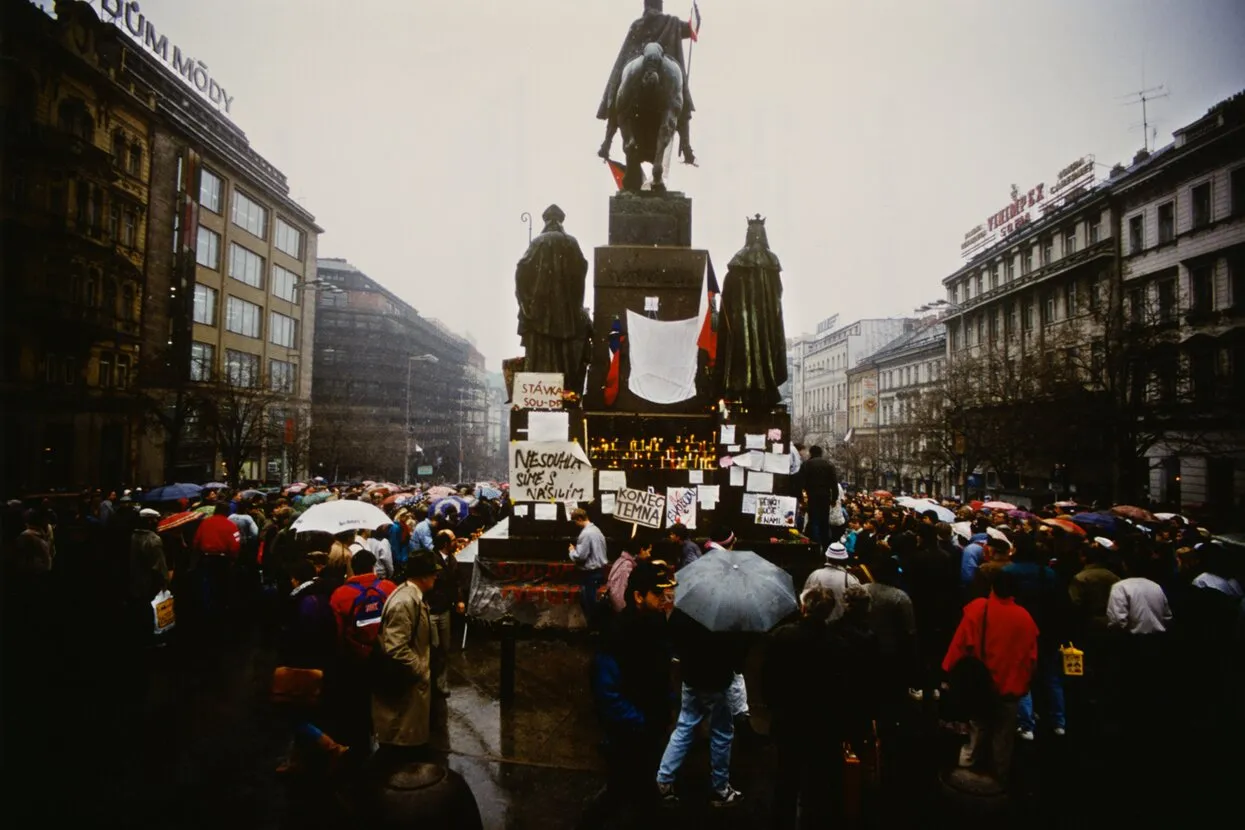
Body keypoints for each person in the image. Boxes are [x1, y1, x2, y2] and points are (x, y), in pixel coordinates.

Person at [581, 561, 676, 827]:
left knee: (642, 796)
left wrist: (667, 702)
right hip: (629, 734)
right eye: (657, 594)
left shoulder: (657, 624)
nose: (664, 599)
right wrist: (640, 721)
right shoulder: (617, 634)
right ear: (638, 596)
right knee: (620, 792)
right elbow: (607, 692)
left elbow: (659, 671)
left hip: (651, 729)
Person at [942, 570, 1038, 788]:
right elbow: (1031, 659)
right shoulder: (1025, 618)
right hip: (1011, 687)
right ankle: (998, 779)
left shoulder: (978, 608)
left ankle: (965, 774)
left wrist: (949, 673)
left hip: (981, 685)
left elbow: (961, 644)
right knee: (1004, 736)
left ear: (992, 587)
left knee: (977, 727)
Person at [655, 607, 747, 807]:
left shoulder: (687, 607)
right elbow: (738, 657)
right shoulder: (731, 613)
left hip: (691, 678)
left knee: (685, 727)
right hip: (717, 682)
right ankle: (720, 789)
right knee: (722, 734)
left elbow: (674, 637)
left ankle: (664, 779)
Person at [763, 587, 838, 829]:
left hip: (788, 719)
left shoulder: (781, 636)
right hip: (823, 722)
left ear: (803, 607)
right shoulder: (838, 644)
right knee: (818, 779)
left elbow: (768, 679)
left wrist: (773, 707)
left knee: (786, 776)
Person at [597, 0, 696, 165]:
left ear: (646, 5)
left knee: (616, 91)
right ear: (660, 5)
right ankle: (686, 147)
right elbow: (691, 29)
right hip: (665, 74)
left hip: (638, 70)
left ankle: (607, 142)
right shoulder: (672, 22)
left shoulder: (637, 24)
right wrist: (695, 22)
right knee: (682, 99)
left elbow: (626, 52)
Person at [372, 550, 440, 765]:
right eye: (433, 573)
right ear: (423, 576)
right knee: (403, 747)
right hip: (407, 685)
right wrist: (421, 670)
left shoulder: (411, 596)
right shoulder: (404, 602)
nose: (436, 577)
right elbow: (396, 647)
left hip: (412, 685)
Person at [425, 529, 467, 697]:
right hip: (432, 610)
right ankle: (431, 682)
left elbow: (456, 582)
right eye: (453, 540)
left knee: (444, 647)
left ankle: (441, 682)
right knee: (433, 647)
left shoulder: (452, 560)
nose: (456, 542)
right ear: (445, 544)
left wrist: (459, 600)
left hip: (445, 610)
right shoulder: (430, 560)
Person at [568, 508, 609, 625]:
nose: (575, 524)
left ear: (579, 519)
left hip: (590, 574)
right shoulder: (597, 530)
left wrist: (572, 551)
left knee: (590, 605)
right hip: (599, 571)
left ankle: (594, 632)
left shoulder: (585, 534)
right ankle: (598, 630)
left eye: (575, 521)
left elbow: (580, 556)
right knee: (595, 604)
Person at [803, 542, 861, 623]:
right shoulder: (851, 579)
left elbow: (805, 599)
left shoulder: (815, 575)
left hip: (816, 626)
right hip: (840, 629)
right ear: (844, 560)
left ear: (827, 557)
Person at [798, 446, 840, 547]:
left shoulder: (806, 464)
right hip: (825, 497)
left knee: (813, 520)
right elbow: (834, 483)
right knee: (824, 521)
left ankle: (816, 544)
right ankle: (825, 545)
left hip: (812, 496)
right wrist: (834, 498)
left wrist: (801, 499)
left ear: (811, 453)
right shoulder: (829, 465)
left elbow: (800, 483)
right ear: (821, 453)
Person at [605, 536, 653, 613]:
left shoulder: (624, 560)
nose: (649, 555)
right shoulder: (627, 565)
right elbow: (618, 592)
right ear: (641, 550)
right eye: (649, 551)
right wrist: (622, 611)